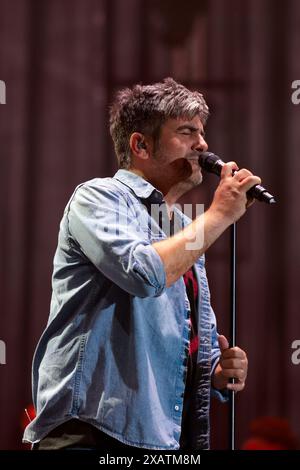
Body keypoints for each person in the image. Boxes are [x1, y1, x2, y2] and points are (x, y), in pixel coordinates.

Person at [23, 77, 259, 451]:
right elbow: (145, 274)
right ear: (141, 145)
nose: (203, 145)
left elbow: (190, 326)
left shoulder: (183, 225)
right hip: (92, 432)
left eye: (202, 132)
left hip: (161, 438)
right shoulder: (99, 198)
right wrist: (219, 214)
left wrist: (215, 371)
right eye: (187, 132)